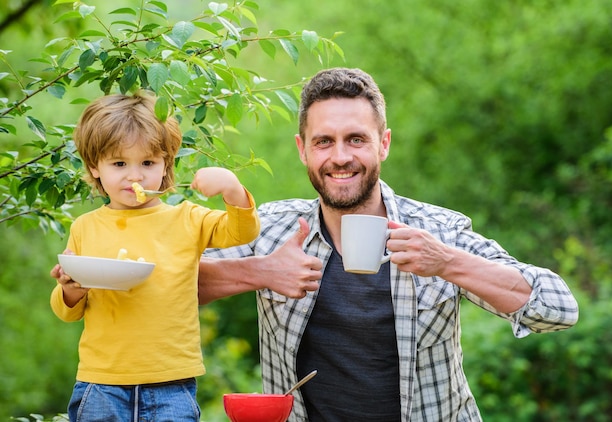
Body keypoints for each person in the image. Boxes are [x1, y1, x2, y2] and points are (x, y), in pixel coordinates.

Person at [198, 68, 579, 421]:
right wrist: (259, 271)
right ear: (303, 150)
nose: (341, 157)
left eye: (356, 139)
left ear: (384, 144)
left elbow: (558, 308)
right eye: (324, 142)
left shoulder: (438, 231)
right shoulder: (273, 228)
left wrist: (446, 262)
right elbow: (175, 284)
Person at [49, 92, 260, 422]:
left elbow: (241, 233)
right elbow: (67, 311)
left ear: (165, 166)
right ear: (95, 166)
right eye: (119, 164)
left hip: (171, 384)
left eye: (147, 163)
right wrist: (71, 289)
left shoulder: (187, 219)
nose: (135, 176)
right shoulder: (85, 228)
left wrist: (231, 187)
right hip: (102, 382)